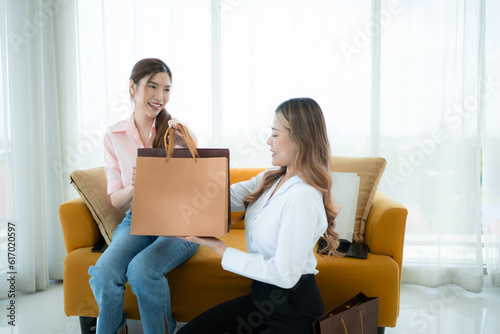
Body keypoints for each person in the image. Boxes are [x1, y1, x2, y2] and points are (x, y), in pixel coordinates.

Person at [178, 97, 341, 334]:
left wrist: (220, 248)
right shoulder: (271, 179)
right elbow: (217, 197)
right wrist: (187, 151)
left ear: (299, 138)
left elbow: (285, 276)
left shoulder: (303, 197)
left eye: (275, 134)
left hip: (292, 311)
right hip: (262, 299)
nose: (268, 141)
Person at [88, 58, 199, 334]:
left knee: (141, 270)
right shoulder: (114, 135)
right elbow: (116, 199)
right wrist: (136, 186)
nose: (160, 96)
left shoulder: (178, 131)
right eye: (153, 86)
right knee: (103, 272)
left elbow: (198, 184)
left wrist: (186, 150)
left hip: (178, 222)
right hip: (136, 218)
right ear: (132, 87)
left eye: (167, 89)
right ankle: (115, 328)